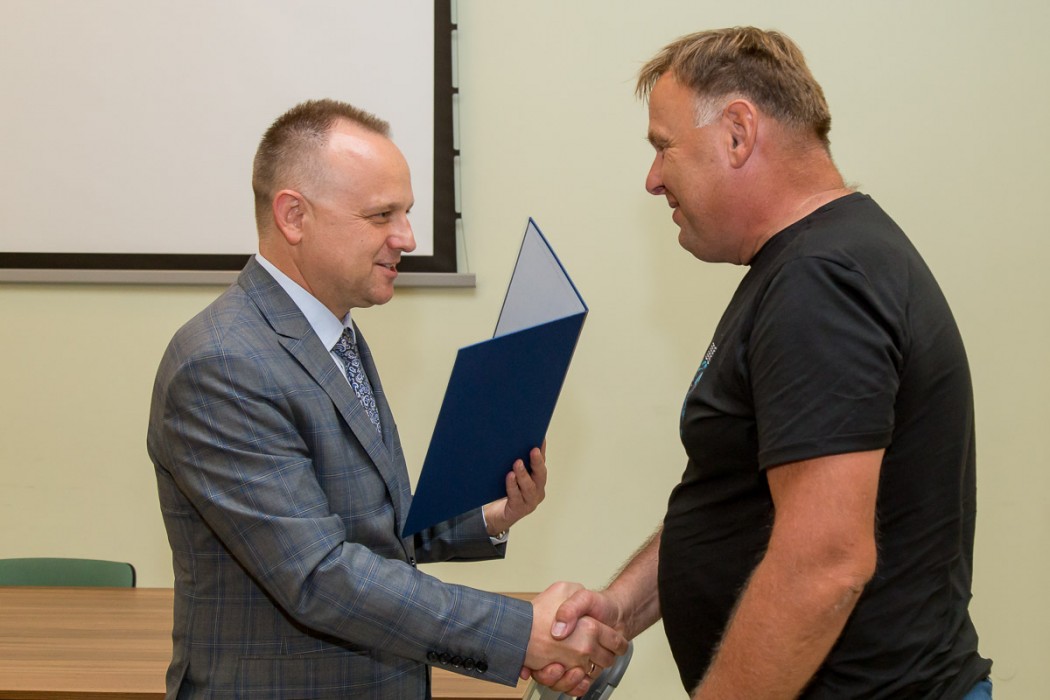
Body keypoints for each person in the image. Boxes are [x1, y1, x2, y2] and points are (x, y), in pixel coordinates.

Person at [534, 27, 993, 699]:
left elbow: (825, 565)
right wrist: (621, 609)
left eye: (663, 146)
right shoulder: (809, 264)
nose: (653, 179)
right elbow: (743, 501)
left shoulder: (819, 281)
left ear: (738, 133)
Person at [147, 98, 625, 699]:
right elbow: (320, 576)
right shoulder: (221, 363)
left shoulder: (335, 333)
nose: (408, 238)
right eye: (381, 215)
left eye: (407, 213)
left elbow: (372, 530)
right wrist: (521, 632)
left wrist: (486, 517)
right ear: (293, 216)